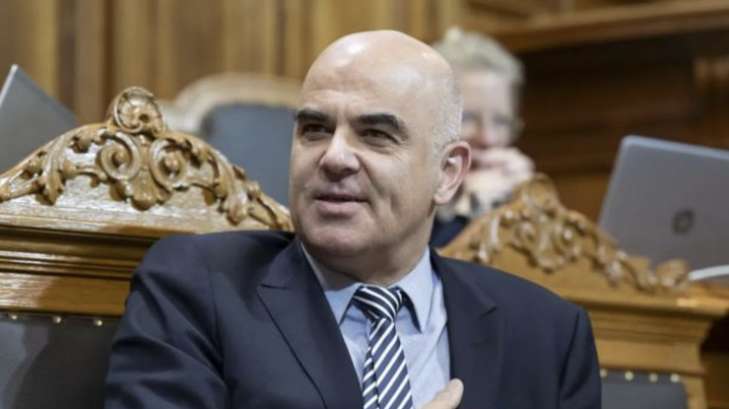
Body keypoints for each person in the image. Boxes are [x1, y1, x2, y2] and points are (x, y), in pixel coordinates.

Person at [104, 30, 600, 409]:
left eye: (376, 135)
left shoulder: (547, 334)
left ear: (448, 173)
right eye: (315, 129)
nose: (334, 157)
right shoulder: (199, 288)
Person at [431, 28, 535, 247]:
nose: (488, 138)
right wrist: (468, 210)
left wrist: (530, 206)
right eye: (467, 118)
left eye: (501, 121)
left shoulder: (519, 190)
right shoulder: (403, 201)